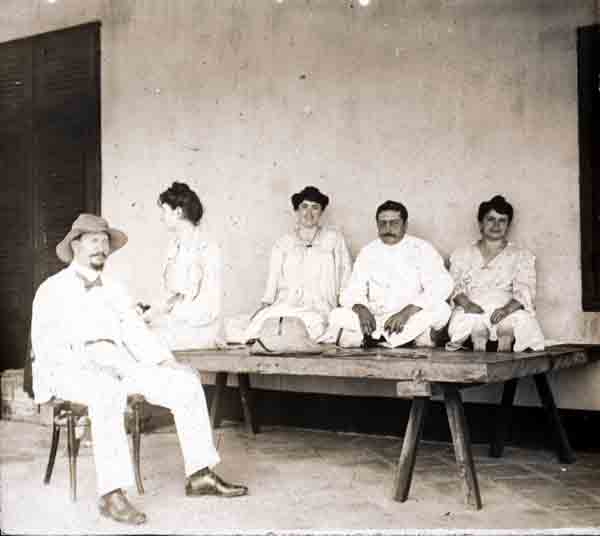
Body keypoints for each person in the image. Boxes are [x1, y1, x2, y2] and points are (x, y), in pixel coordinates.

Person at [31, 214, 247, 526]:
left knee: (185, 383)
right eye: (94, 241)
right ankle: (111, 494)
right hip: (71, 368)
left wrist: (167, 362)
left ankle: (199, 474)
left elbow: (136, 333)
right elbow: (46, 346)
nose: (101, 247)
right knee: (106, 391)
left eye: (105, 242)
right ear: (75, 245)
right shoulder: (52, 289)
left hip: (117, 362)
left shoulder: (114, 288)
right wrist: (89, 367)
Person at [320, 200, 453, 348]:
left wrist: (406, 312)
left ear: (405, 225)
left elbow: (442, 285)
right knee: (337, 314)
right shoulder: (368, 251)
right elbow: (352, 289)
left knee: (442, 309)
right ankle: (404, 339)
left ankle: (373, 339)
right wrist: (361, 309)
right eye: (382, 223)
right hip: (375, 319)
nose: (388, 228)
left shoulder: (422, 248)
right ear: (377, 225)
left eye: (394, 223)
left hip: (409, 317)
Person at [244, 185, 352, 342]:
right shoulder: (283, 242)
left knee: (309, 329)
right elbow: (273, 279)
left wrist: (344, 306)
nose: (309, 213)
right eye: (304, 207)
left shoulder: (334, 239)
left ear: (321, 211)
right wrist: (265, 305)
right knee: (263, 325)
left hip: (319, 306)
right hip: (287, 303)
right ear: (297, 210)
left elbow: (345, 274)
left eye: (315, 207)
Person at [446, 195, 545, 352]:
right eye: (490, 219)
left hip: (505, 308)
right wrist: (467, 305)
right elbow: (453, 285)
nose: (496, 225)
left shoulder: (521, 255)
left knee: (520, 321)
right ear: (480, 223)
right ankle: (478, 338)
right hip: (473, 307)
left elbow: (525, 289)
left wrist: (506, 310)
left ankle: (505, 337)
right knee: (467, 321)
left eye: (502, 220)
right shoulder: (462, 253)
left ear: (508, 225)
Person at [142, 182, 224, 350]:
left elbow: (210, 307)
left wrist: (168, 316)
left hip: (199, 329)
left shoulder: (207, 248)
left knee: (145, 343)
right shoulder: (173, 248)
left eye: (164, 211)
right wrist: (152, 311)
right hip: (174, 325)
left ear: (178, 212)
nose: (162, 217)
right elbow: (170, 296)